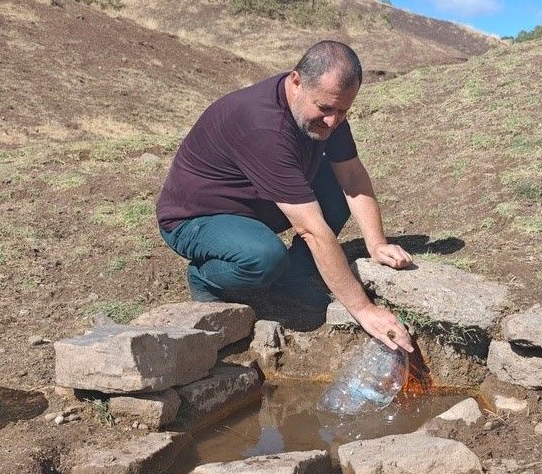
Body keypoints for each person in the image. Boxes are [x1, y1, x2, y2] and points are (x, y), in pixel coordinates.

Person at [157, 41, 413, 352]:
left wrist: (377, 242)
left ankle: (295, 273)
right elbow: (312, 230)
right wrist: (364, 310)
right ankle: (207, 277)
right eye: (326, 109)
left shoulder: (324, 106)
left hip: (255, 201)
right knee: (264, 257)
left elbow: (352, 175)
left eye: (343, 110)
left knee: (333, 183)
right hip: (196, 217)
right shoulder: (263, 126)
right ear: (296, 82)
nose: (333, 121)